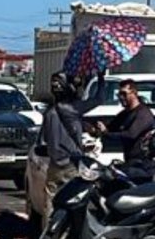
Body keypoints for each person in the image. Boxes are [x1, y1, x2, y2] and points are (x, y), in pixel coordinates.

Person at [27, 71, 105, 229]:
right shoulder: (72, 109)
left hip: (54, 165)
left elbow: (46, 142)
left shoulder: (49, 113)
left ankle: (49, 237)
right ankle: (71, 237)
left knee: (50, 204)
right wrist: (101, 78)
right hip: (72, 165)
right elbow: (99, 99)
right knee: (75, 204)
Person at [95, 79, 155, 162]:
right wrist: (95, 129)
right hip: (130, 160)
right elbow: (110, 127)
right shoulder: (124, 114)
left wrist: (106, 133)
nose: (121, 97)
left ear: (134, 93)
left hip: (143, 162)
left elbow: (131, 134)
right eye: (119, 94)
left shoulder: (143, 113)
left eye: (124, 94)